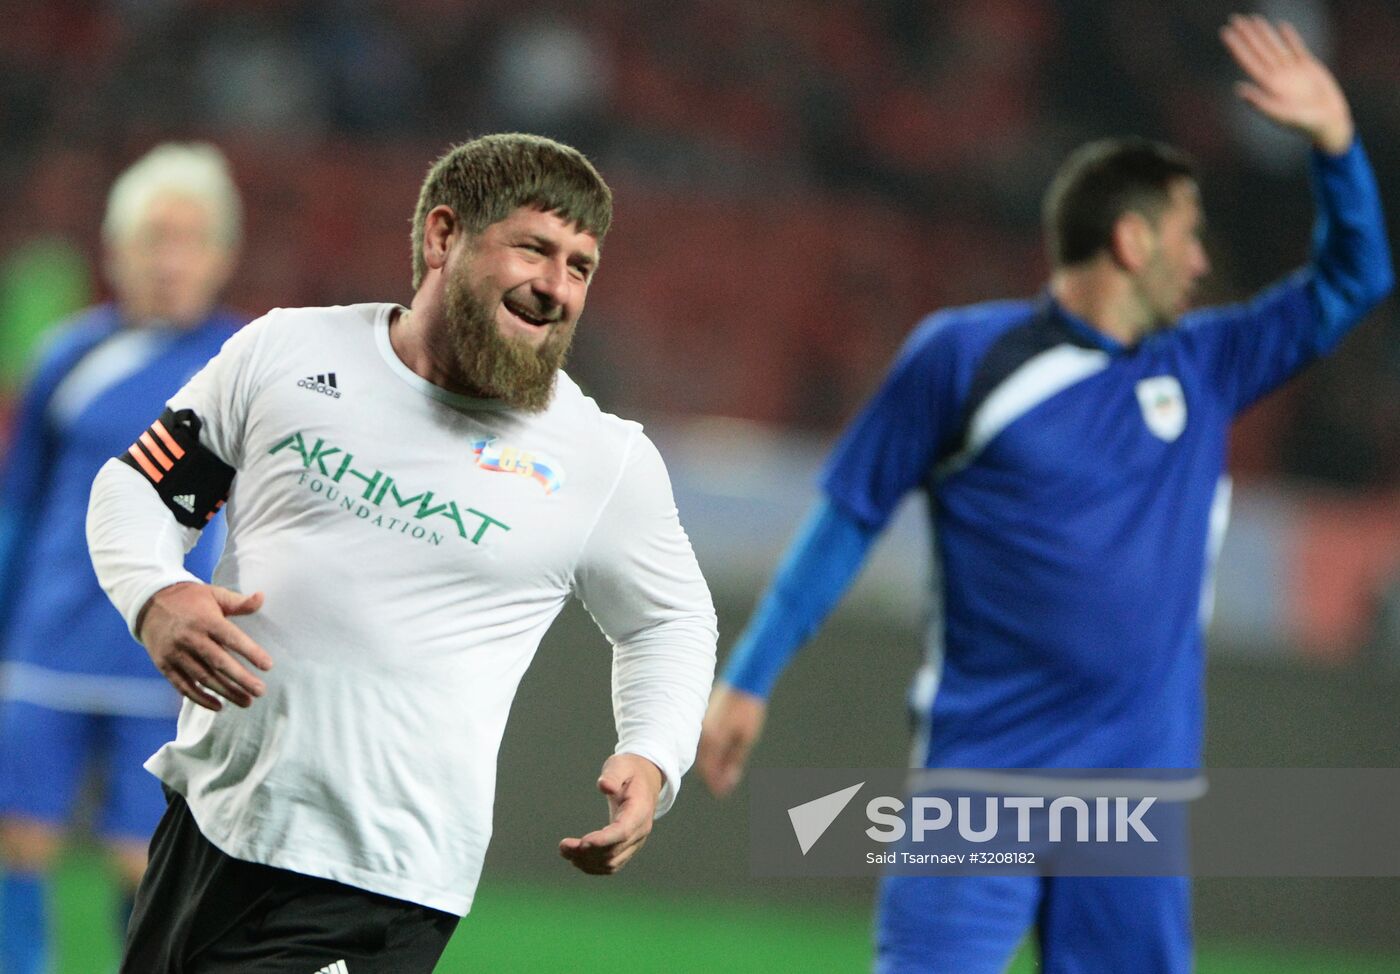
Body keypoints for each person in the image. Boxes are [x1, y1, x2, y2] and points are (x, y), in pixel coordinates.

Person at [698, 14, 1391, 974]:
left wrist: (1337, 147)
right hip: (978, 780)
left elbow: (1357, 280)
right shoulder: (964, 357)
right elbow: (851, 511)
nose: (1201, 265)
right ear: (1130, 238)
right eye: (1187, 239)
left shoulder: (1206, 365)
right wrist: (752, 673)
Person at [86, 133, 717, 972]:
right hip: (210, 823)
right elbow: (142, 485)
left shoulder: (602, 460)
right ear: (442, 236)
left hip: (381, 884)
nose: (555, 288)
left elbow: (671, 618)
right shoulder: (287, 355)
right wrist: (156, 593)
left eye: (579, 266)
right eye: (533, 248)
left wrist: (654, 751)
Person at [0, 143, 244, 974]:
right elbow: (20, 502)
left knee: (142, 859)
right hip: (46, 639)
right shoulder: (67, 355)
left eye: (188, 239)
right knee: (16, 836)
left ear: (221, 255)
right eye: (151, 238)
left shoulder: (244, 364)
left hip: (166, 650)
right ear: (115, 249)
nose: (168, 260)